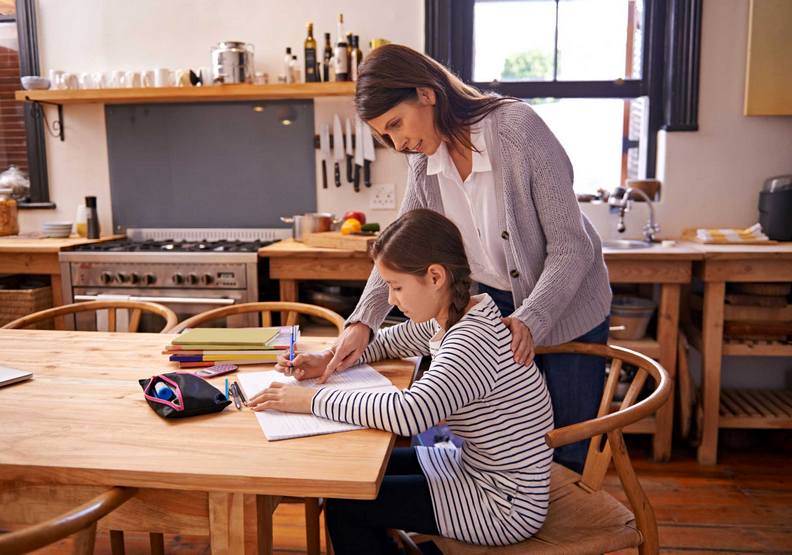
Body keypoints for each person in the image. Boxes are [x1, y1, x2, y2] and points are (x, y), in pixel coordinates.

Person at [323, 44, 611, 473]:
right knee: (508, 448)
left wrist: (531, 318)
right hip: (499, 306)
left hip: (568, 307)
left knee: (567, 452)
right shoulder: (424, 163)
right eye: (386, 135)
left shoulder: (518, 131)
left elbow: (573, 247)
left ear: (426, 93)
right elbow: (398, 252)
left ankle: (562, 517)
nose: (398, 144)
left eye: (396, 124)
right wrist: (362, 323)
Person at [249, 209, 555, 554]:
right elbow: (387, 342)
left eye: (396, 287)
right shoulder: (460, 315)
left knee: (347, 507)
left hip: (503, 504)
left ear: (435, 276)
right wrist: (329, 357)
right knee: (354, 477)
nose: (391, 300)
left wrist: (309, 400)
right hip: (480, 470)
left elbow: (409, 414)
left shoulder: (469, 340)